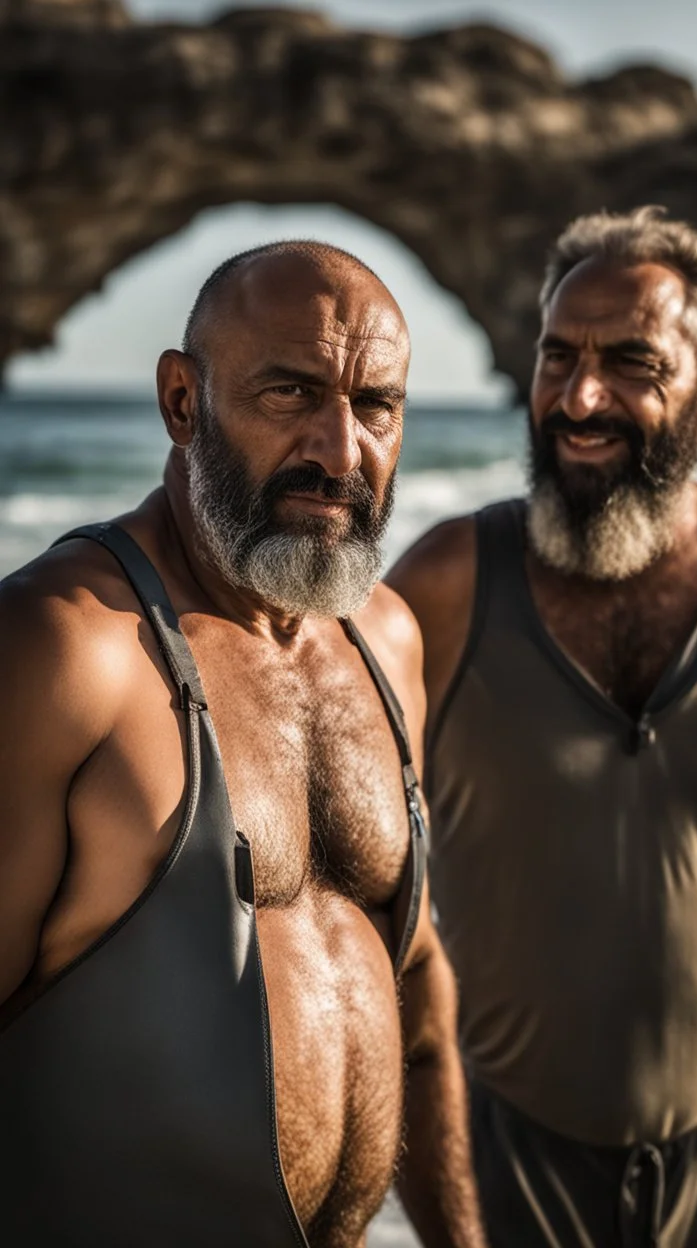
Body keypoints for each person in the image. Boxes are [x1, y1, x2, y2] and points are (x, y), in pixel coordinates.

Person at [0, 242, 486, 1248]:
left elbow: (418, 986)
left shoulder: (386, 641)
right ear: (183, 400)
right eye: (290, 392)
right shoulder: (67, 648)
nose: (340, 450)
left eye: (377, 405)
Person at [388, 206, 697, 1247]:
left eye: (630, 361)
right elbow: (365, 912)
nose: (579, 398)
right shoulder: (446, 588)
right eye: (556, 358)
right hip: (496, 1168)